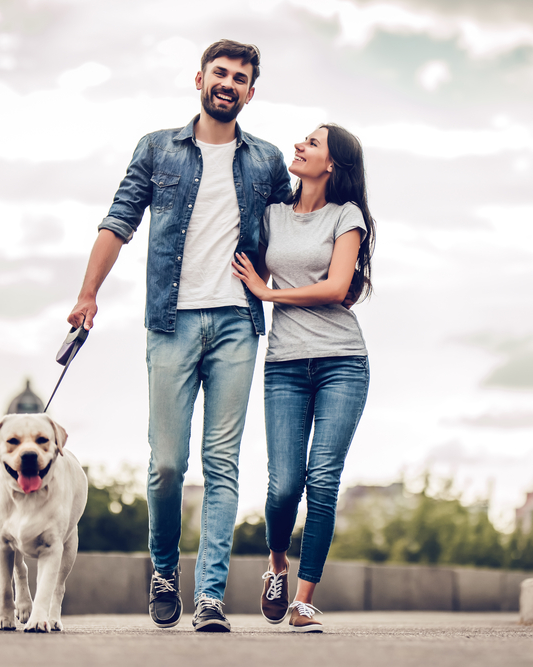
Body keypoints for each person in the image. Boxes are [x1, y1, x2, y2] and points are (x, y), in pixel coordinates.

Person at [67, 39, 291, 633]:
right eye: (220, 72)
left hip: (238, 325)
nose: (229, 83)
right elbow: (118, 221)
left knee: (222, 463)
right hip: (170, 322)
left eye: (240, 77)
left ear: (250, 91)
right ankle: (164, 571)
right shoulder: (156, 148)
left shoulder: (267, 161)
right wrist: (88, 293)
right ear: (199, 79)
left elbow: (292, 233)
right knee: (167, 464)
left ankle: (211, 596)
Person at [231, 123, 375, 632]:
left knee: (323, 481)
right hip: (285, 365)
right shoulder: (272, 215)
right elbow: (250, 270)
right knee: (284, 484)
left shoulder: (347, 216)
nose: (299, 145)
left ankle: (305, 600)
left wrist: (269, 296)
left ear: (331, 164)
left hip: (342, 361)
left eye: (312, 143)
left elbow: (337, 287)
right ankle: (276, 568)